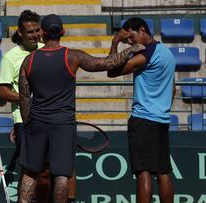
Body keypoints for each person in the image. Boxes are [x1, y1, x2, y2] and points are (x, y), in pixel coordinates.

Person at [18, 14, 145, 203]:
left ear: (42, 34)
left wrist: (29, 122)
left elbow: (24, 99)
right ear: (62, 32)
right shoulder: (73, 56)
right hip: (63, 124)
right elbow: (106, 63)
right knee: (61, 175)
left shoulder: (28, 61)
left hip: (36, 123)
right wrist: (130, 50)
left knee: (30, 174)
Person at [107, 17, 175, 203]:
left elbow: (111, 70)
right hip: (162, 119)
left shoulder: (148, 53)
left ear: (143, 30)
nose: (130, 41)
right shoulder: (167, 53)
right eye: (127, 39)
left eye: (131, 36)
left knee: (143, 172)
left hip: (144, 119)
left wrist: (115, 42)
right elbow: (173, 88)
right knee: (163, 171)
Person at [0, 10, 56, 203]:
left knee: (47, 172)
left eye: (37, 30)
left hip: (50, 119)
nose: (35, 35)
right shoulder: (10, 58)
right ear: (20, 33)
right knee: (31, 170)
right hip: (25, 121)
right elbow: (4, 93)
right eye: (30, 32)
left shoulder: (47, 50)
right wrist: (29, 99)